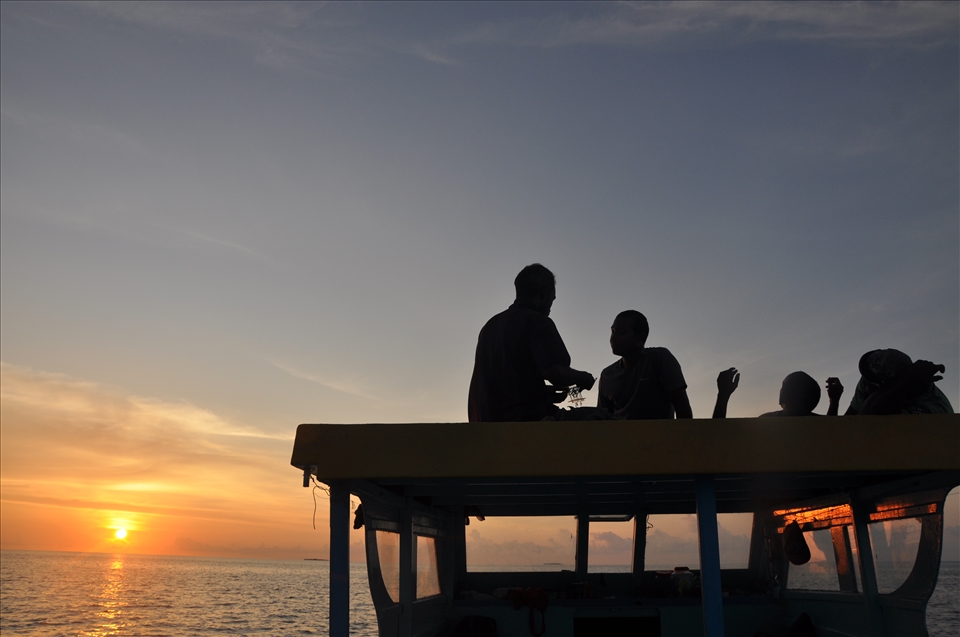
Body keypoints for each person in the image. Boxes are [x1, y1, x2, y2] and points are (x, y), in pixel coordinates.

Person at [468, 264, 595, 422]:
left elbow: (504, 382)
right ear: (544, 293)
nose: (551, 306)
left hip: (484, 422)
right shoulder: (538, 321)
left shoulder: (490, 326)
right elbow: (555, 373)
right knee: (604, 418)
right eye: (552, 299)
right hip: (524, 422)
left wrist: (541, 392)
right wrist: (584, 377)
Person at [597, 310, 692, 419]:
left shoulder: (659, 359)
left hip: (659, 436)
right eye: (613, 331)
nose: (613, 338)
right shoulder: (607, 375)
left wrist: (683, 435)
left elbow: (683, 408)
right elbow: (602, 419)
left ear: (639, 337)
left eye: (621, 332)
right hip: (620, 436)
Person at [844, 349, 953, 415]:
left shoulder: (936, 409)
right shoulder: (868, 382)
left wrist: (905, 382)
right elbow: (846, 424)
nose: (864, 383)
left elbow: (868, 416)